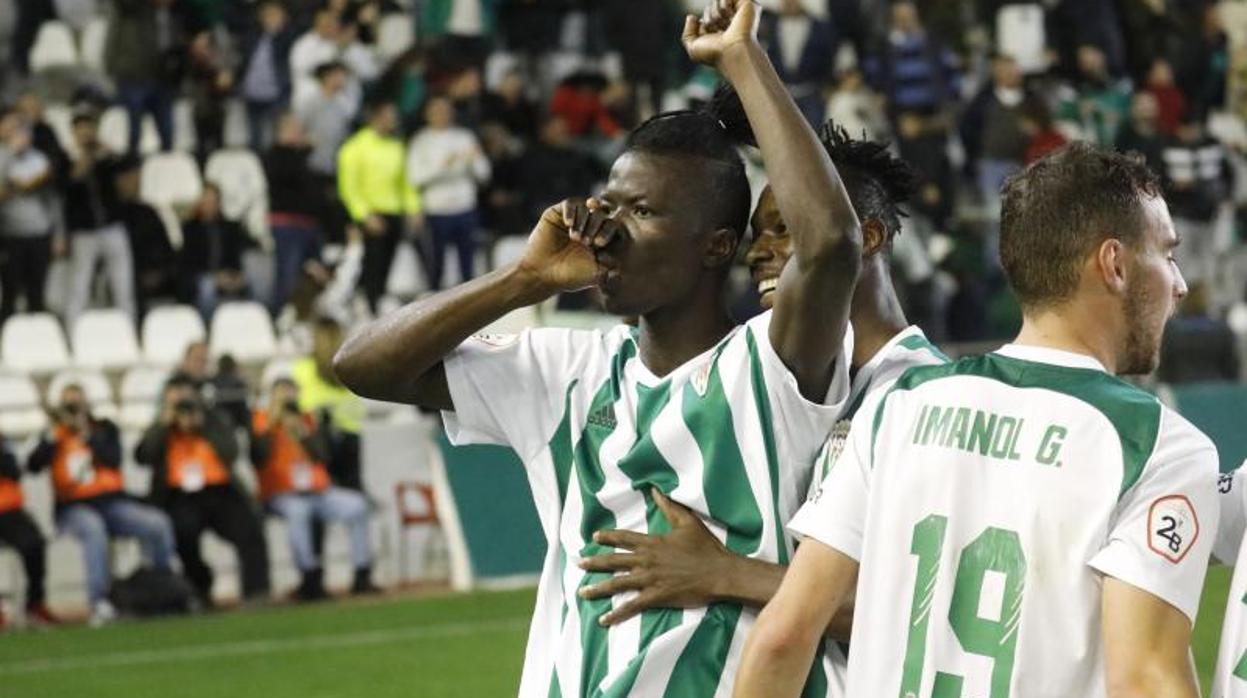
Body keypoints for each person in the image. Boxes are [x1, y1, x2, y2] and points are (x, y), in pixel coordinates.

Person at [333, 1, 861, 694]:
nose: (607, 230)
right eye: (607, 204)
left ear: (717, 247)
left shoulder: (772, 364)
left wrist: (740, 60)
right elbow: (362, 366)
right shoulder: (565, 370)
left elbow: (829, 245)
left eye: (641, 213)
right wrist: (522, 281)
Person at [734, 142, 1216, 698]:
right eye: (1167, 253)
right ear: (1114, 264)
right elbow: (1146, 682)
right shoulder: (1158, 446)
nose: (1178, 284)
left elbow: (782, 637)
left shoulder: (900, 404)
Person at [576, 117, 942, 695]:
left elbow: (926, 607)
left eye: (784, 228)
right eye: (757, 235)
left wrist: (726, 573)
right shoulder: (806, 383)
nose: (759, 252)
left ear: (862, 237)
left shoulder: (923, 395)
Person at [27, 385, 178, 626]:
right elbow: (33, 465)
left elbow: (114, 459)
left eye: (77, 404)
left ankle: (162, 589)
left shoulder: (104, 429)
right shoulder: (55, 435)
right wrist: (53, 436)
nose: (73, 410)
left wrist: (87, 434)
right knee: (93, 528)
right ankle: (98, 602)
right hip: (73, 508)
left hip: (112, 503)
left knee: (156, 524)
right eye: (68, 406)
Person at [136, 377, 271, 605]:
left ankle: (256, 591)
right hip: (180, 495)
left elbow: (231, 452)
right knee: (182, 532)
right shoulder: (161, 424)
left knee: (250, 527)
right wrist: (165, 425)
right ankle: (200, 587)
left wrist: (203, 426)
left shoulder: (213, 418)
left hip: (219, 491)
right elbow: (143, 456)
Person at [252, 378, 376, 600]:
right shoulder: (262, 421)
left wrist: (302, 433)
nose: (288, 400)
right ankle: (309, 577)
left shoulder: (308, 420)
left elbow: (322, 456)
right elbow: (258, 456)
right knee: (298, 511)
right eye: (282, 395)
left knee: (357, 505)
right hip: (282, 494)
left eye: (292, 393)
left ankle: (361, 573)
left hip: (317, 491)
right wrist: (274, 423)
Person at [337, 101, 422, 313]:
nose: (393, 120)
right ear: (375, 117)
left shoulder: (396, 146)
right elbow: (348, 188)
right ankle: (365, 306)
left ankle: (376, 307)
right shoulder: (354, 147)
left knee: (386, 265)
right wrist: (364, 216)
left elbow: (405, 183)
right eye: (389, 115)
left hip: (393, 213)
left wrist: (413, 208)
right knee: (369, 266)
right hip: (369, 214)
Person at [407, 95, 491, 290]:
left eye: (445, 110)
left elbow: (484, 173)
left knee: (468, 265)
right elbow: (415, 177)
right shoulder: (420, 141)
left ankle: (469, 307)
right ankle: (434, 304)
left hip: (465, 208)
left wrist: (473, 162)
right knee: (436, 264)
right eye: (436, 111)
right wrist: (444, 165)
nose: (442, 115)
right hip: (437, 211)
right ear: (427, 114)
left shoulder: (465, 137)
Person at [62, 111, 137, 325]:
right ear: (74, 133)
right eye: (81, 129)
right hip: (84, 231)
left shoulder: (106, 158)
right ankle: (73, 333)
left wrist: (106, 152)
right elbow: (68, 185)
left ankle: (129, 329)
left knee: (123, 285)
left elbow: (128, 168)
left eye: (89, 128)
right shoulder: (66, 158)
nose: (86, 133)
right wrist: (85, 157)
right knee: (80, 286)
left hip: (113, 227)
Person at [0, 109, 57, 322]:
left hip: (39, 233)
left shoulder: (39, 158)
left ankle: (38, 341)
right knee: (10, 294)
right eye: (13, 128)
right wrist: (10, 154)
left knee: (37, 293)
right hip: (11, 235)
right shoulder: (2, 156)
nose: (19, 134)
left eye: (22, 129)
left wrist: (57, 232)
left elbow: (52, 198)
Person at [265, 112, 323, 315]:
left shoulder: (301, 158)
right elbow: (286, 176)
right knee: (287, 275)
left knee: (312, 275)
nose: (300, 134)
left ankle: (304, 315)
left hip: (307, 223)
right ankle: (280, 315)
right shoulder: (275, 155)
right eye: (295, 129)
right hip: (287, 224)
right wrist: (303, 151)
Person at [0, 433, 57, 629]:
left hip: (9, 510)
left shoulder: (5, 446)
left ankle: (35, 604)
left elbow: (15, 471)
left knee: (35, 544)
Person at [179, 184, 253, 320]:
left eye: (212, 201)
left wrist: (234, 276)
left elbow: (238, 256)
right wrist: (216, 277)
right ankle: (208, 326)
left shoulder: (231, 227)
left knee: (254, 277)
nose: (208, 205)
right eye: (205, 201)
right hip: (201, 278)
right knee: (207, 286)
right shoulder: (190, 229)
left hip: (229, 275)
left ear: (219, 203)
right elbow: (189, 264)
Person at [237, 0, 297, 152]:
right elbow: (243, 61)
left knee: (274, 137)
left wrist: (278, 31)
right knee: (254, 137)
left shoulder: (288, 37)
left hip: (276, 94)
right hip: (252, 93)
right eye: (267, 15)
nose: (271, 19)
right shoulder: (253, 35)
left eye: (275, 15)